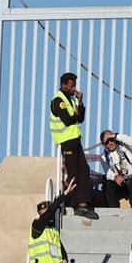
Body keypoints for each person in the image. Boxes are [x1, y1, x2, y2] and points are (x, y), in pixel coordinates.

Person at [50, 73, 92, 214]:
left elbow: (80, 119)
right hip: (66, 141)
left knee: (84, 170)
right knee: (73, 173)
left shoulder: (71, 100)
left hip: (75, 140)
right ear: (63, 85)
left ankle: (83, 202)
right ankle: (75, 203)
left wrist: (80, 102)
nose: (74, 88)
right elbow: (67, 119)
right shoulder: (58, 100)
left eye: (74, 85)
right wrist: (75, 113)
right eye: (71, 85)